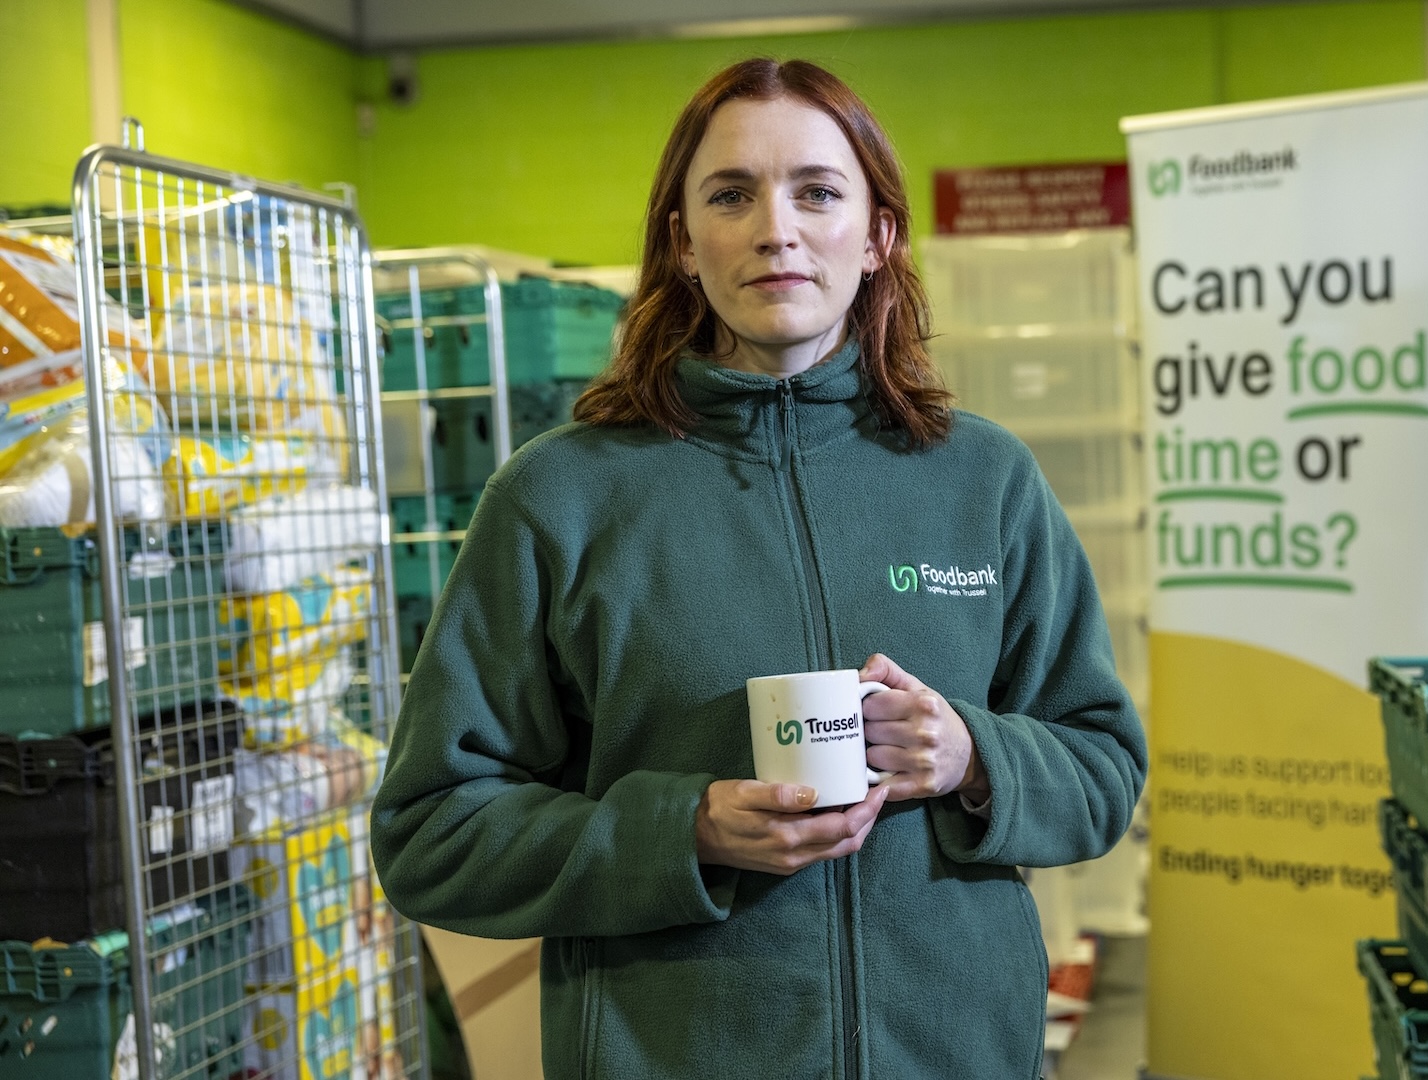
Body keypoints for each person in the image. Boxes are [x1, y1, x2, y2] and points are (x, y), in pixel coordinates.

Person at [370, 57, 1147, 1079]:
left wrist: (970, 756)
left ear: (877, 237)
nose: (776, 228)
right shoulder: (560, 496)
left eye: (818, 191)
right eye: (732, 195)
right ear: (684, 243)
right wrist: (682, 832)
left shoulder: (983, 478)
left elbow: (1103, 769)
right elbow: (431, 833)